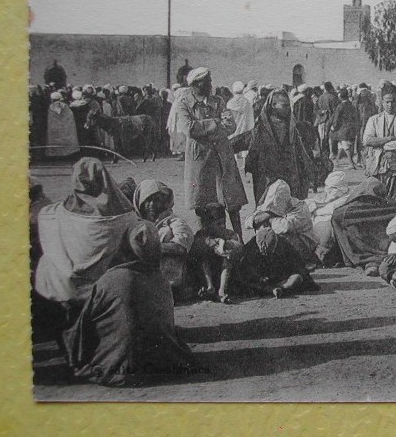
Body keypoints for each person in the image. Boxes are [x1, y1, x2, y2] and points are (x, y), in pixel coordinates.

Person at [61, 220, 196, 386]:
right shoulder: (161, 280)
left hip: (119, 368)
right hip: (165, 365)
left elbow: (86, 322)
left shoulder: (112, 278)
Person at [32, 158, 139, 344]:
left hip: (61, 289)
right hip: (103, 290)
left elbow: (44, 215)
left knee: (45, 263)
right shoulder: (123, 219)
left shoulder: (52, 214)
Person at [175, 67, 248, 241]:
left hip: (223, 156)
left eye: (209, 81)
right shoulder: (184, 103)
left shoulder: (218, 101)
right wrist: (215, 123)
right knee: (202, 203)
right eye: (205, 82)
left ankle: (239, 240)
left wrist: (205, 127)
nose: (210, 84)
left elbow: (231, 126)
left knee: (231, 202)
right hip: (200, 161)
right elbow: (189, 129)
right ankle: (206, 242)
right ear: (195, 84)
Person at [240, 179, 320, 298]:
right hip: (275, 250)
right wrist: (267, 215)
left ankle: (280, 285)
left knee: (272, 235)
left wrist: (268, 217)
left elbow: (283, 227)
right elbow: (248, 222)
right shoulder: (269, 207)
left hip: (298, 249)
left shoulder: (300, 207)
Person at [330, 178, 396, 275]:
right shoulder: (379, 207)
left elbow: (336, 217)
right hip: (367, 245)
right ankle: (372, 263)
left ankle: (371, 263)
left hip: (368, 247)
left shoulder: (348, 210)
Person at [245, 88, 314, 203]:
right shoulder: (260, 129)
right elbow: (251, 150)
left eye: (288, 105)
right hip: (267, 178)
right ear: (273, 105)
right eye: (284, 106)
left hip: (289, 177)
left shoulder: (293, 128)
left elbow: (301, 151)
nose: (288, 109)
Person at [133, 180, 195, 300]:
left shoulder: (174, 221)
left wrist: (153, 248)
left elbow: (182, 245)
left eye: (156, 200)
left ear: (165, 202)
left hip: (170, 277)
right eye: (147, 200)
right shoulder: (135, 224)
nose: (151, 204)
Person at [187, 202, 243, 303]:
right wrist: (212, 245)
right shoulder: (202, 235)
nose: (222, 226)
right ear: (208, 225)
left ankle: (222, 290)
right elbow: (196, 249)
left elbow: (238, 246)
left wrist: (224, 245)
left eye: (224, 223)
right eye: (218, 224)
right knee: (204, 259)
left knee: (227, 260)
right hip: (207, 274)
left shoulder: (229, 234)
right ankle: (210, 287)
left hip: (226, 274)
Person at [362, 91, 396, 202]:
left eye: (393, 102)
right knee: (374, 197)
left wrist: (378, 144)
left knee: (395, 198)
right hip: (375, 163)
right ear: (382, 103)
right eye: (387, 102)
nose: (390, 105)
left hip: (395, 165)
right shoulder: (374, 120)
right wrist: (388, 139)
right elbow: (366, 140)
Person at [305, 171, 352, 265]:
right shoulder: (328, 196)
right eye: (327, 187)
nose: (328, 190)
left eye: (332, 188)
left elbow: (330, 210)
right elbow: (308, 203)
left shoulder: (346, 198)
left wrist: (316, 209)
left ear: (342, 188)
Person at [329, 87, 361, 167]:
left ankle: (351, 164)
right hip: (351, 128)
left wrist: (333, 127)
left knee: (344, 145)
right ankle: (336, 162)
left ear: (340, 97)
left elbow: (336, 119)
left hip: (343, 129)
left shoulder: (340, 106)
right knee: (341, 145)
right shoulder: (352, 105)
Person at [45, 91, 80, 158]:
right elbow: (70, 116)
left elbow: (50, 118)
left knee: (54, 138)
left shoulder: (50, 107)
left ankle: (56, 154)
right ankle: (66, 153)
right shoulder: (65, 106)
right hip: (65, 127)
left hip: (54, 127)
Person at [315, 81, 340, 158]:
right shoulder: (333, 97)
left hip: (321, 120)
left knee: (322, 137)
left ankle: (323, 153)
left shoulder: (320, 97)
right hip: (330, 119)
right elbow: (336, 110)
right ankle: (331, 153)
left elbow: (315, 109)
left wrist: (321, 112)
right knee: (330, 137)